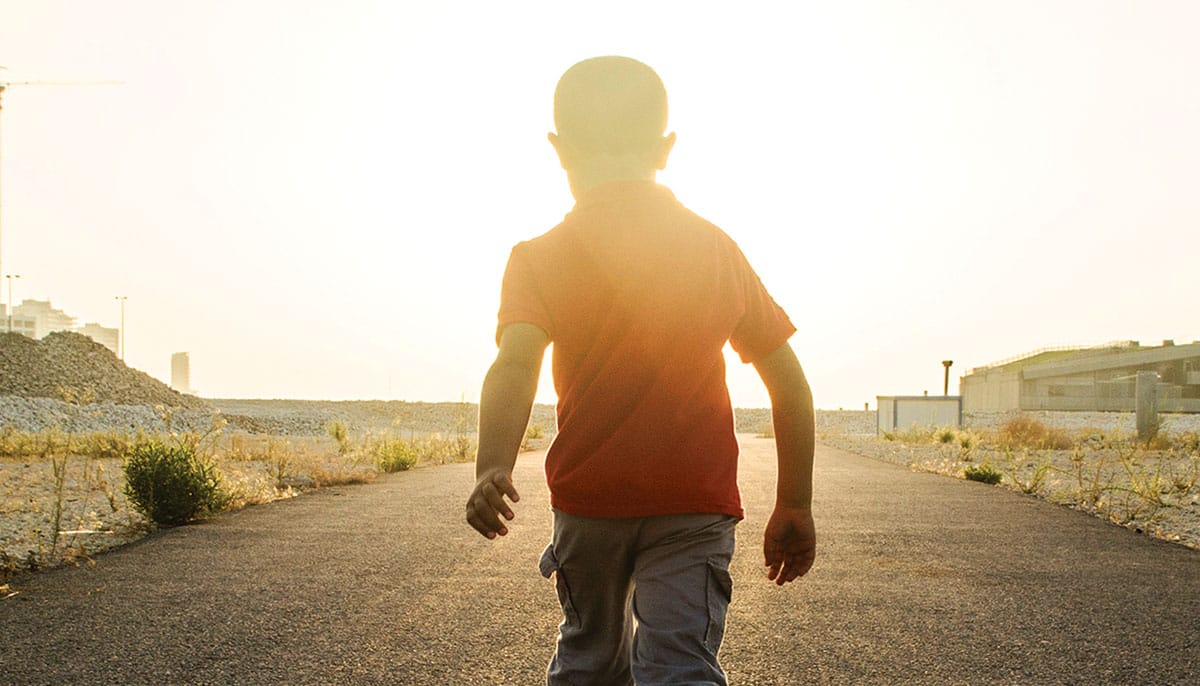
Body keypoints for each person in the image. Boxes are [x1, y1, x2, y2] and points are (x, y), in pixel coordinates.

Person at [466, 55, 816, 686]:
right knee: (680, 665)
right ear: (666, 148)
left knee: (589, 658)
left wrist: (493, 463)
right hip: (693, 502)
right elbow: (786, 379)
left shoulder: (538, 257)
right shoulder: (713, 248)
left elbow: (515, 364)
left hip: (589, 503)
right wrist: (794, 500)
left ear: (558, 150)